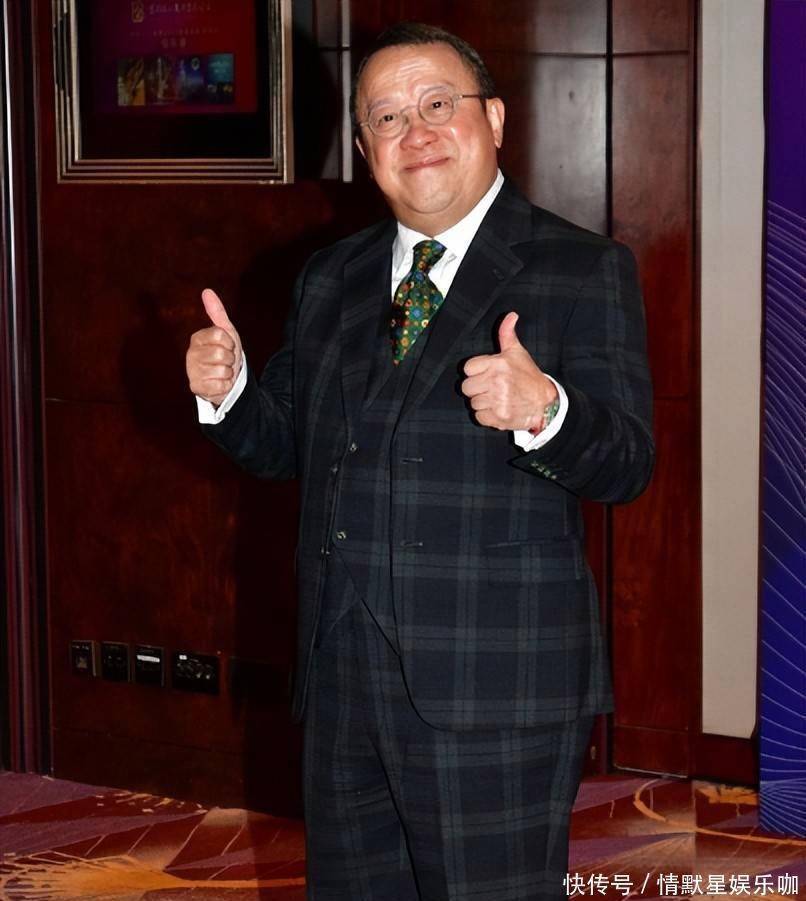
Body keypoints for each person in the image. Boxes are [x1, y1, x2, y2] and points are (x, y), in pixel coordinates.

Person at [185, 22, 654, 901]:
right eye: (388, 117)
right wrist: (231, 390)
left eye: (439, 104)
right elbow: (282, 442)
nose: (417, 132)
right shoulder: (330, 275)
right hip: (341, 677)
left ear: (495, 119)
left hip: (494, 683)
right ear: (367, 149)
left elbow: (627, 463)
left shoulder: (582, 268)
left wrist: (546, 410)